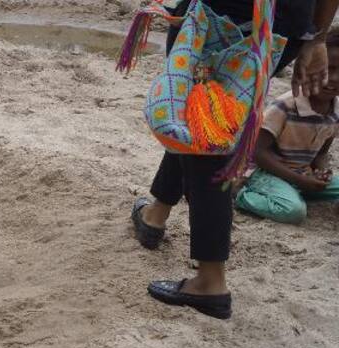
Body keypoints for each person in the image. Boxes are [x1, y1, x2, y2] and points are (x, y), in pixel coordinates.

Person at [132, 0, 339, 320]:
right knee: (198, 111)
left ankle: (210, 282)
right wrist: (316, 37)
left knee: (206, 126)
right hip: (287, 21)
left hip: (235, 15)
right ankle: (155, 214)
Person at [235, 33, 339, 223]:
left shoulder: (335, 111)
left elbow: (321, 153)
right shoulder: (286, 105)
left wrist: (321, 172)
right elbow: (257, 153)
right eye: (328, 69)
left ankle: (295, 191)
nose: (333, 78)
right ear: (310, 65)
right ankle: (240, 194)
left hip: (301, 174)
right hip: (265, 173)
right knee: (294, 211)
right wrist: (300, 181)